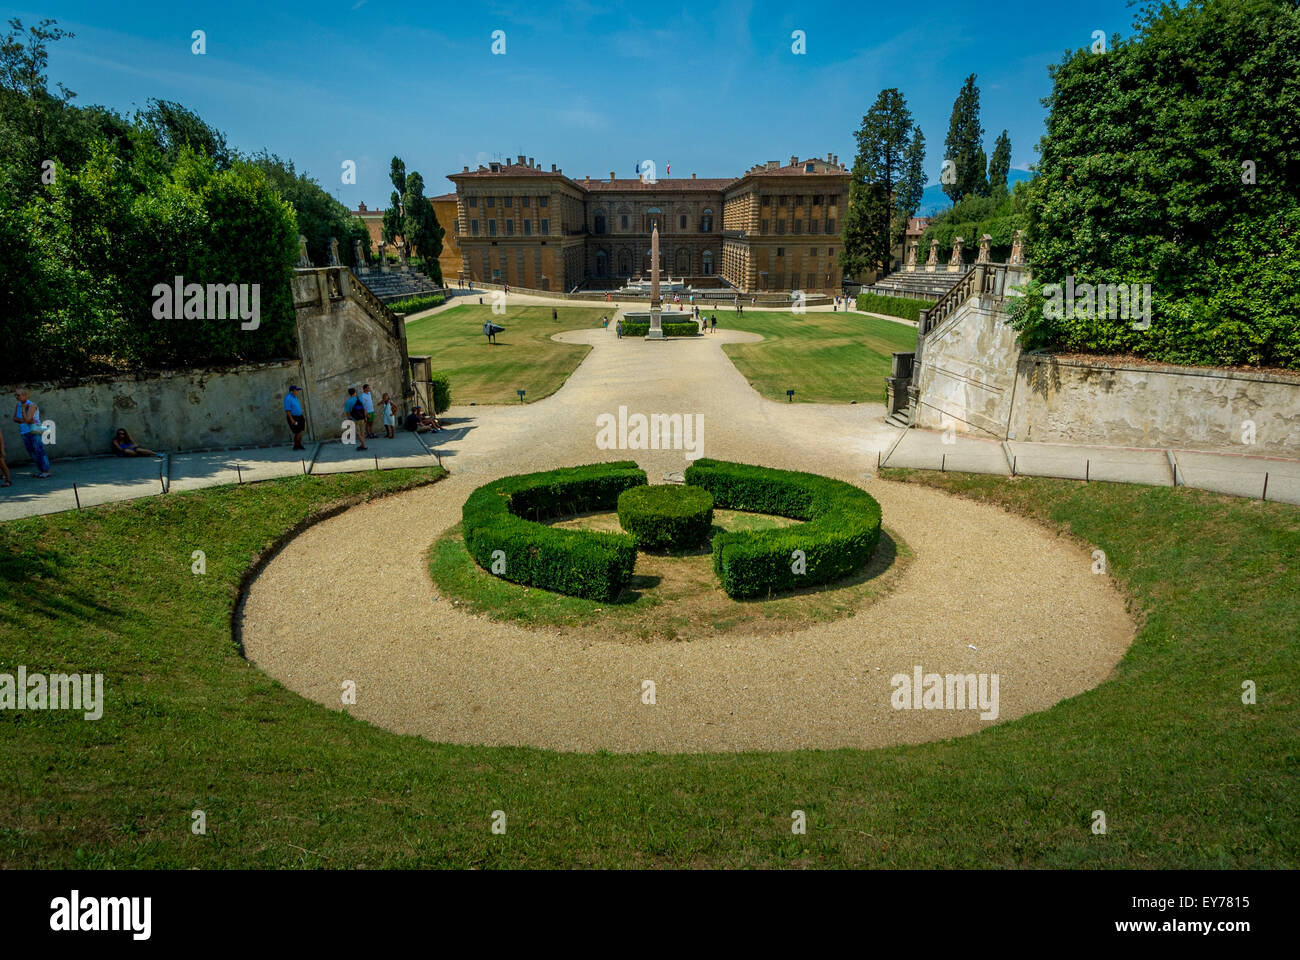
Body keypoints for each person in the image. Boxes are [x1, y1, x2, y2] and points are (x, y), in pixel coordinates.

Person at [13, 389, 50, 479]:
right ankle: (41, 470)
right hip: (24, 432)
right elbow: (15, 418)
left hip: (34, 431)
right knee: (32, 453)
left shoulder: (31, 405)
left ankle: (46, 471)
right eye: (16, 395)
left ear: (25, 395)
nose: (17, 397)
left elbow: (28, 419)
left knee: (39, 451)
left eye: (18, 395)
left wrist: (23, 411)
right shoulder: (18, 405)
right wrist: (24, 420)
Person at [284, 385, 307, 449]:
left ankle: (299, 444)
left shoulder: (295, 397)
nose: (297, 391)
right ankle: (296, 445)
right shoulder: (288, 398)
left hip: (300, 417)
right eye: (296, 390)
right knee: (297, 432)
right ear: (292, 391)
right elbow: (287, 410)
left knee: (300, 431)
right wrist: (292, 420)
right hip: (293, 418)